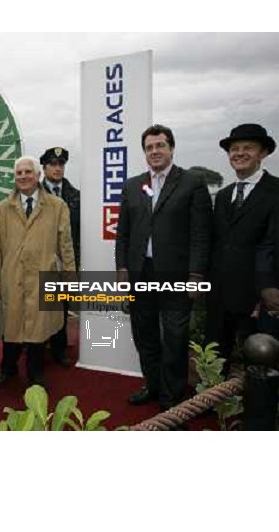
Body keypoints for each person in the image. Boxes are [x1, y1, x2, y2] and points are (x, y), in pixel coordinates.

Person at [116, 124, 212, 412]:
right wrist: (122, 268)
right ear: (144, 151)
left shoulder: (192, 183)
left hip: (177, 276)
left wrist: (196, 275)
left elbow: (200, 234)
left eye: (160, 146)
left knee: (174, 337)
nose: (154, 151)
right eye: (149, 147)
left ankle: (173, 399)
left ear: (171, 148)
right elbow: (123, 233)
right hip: (140, 273)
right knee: (144, 334)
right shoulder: (132, 185)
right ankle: (153, 385)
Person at [0, 156, 75, 389]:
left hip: (43, 274)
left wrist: (69, 274)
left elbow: (65, 243)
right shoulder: (4, 207)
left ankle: (35, 372)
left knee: (38, 329)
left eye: (28, 172)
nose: (23, 176)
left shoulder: (57, 206)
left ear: (37, 176)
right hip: (13, 276)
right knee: (12, 325)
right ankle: (7, 368)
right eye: (19, 173)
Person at [205, 123, 279, 364]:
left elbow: (271, 245)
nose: (239, 153)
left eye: (248, 147)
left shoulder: (276, 191)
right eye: (234, 149)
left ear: (263, 153)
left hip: (259, 298)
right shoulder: (224, 195)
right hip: (220, 295)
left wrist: (267, 290)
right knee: (215, 360)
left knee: (259, 363)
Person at [39, 146, 81, 367]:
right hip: (40, 258)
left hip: (63, 260)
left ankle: (59, 349)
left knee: (62, 307)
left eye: (60, 164)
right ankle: (37, 345)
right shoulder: (33, 195)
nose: (57, 168)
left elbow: (78, 231)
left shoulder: (75, 196)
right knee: (38, 306)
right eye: (52, 164)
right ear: (44, 167)